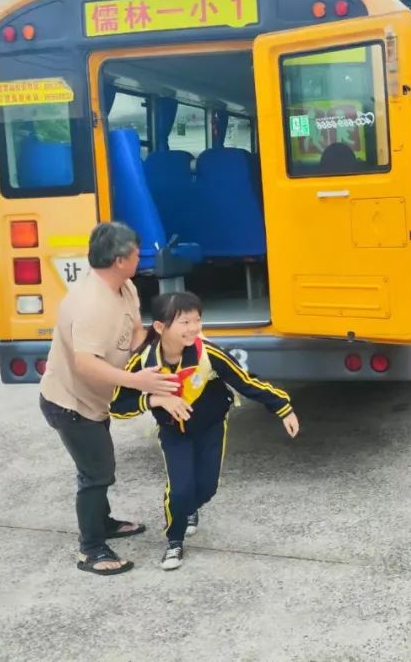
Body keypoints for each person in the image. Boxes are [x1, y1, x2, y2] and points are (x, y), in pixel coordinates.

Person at [111, 291, 300, 570]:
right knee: (180, 489)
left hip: (211, 428)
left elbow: (246, 381)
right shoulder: (144, 362)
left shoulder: (207, 354)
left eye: (197, 320)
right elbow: (118, 405)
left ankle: (189, 509)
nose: (193, 328)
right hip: (173, 432)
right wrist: (155, 398)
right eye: (184, 322)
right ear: (161, 327)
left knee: (207, 487)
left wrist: (283, 407)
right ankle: (174, 541)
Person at [39, 222, 186, 576]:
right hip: (70, 404)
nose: (140, 257)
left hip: (94, 400)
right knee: (96, 474)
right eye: (136, 253)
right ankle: (90, 549)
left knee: (100, 467)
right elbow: (85, 364)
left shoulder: (125, 288)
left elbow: (134, 332)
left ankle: (103, 523)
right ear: (121, 259)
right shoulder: (90, 303)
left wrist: (161, 348)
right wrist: (136, 380)